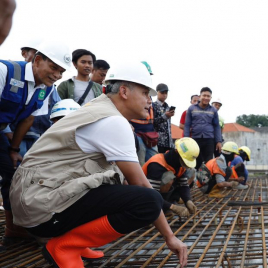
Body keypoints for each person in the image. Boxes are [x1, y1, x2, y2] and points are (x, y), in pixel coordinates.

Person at [9, 61, 188, 267]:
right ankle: (66, 246)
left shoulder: (100, 109)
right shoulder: (113, 121)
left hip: (34, 200)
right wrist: (169, 236)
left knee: (115, 181)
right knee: (147, 201)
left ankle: (76, 241)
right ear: (124, 91)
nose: (149, 101)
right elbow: (141, 186)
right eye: (145, 93)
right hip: (40, 208)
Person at [0, 40, 72, 247]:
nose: (57, 75)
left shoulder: (46, 89)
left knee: (14, 177)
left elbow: (28, 119)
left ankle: (15, 231)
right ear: (38, 60)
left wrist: (14, 149)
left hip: (2, 132)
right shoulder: (5, 71)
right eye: (54, 68)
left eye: (61, 71)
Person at [11, 39, 63, 158]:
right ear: (25, 53)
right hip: (12, 134)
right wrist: (7, 131)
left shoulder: (48, 87)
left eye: (61, 71)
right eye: (36, 53)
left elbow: (31, 117)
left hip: (37, 135)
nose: (57, 75)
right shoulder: (10, 73)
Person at [142, 137, 199, 217]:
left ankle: (168, 203)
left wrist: (187, 200)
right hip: (144, 198)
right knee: (168, 178)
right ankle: (160, 209)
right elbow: (151, 194)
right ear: (177, 152)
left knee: (190, 172)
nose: (185, 164)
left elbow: (183, 185)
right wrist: (172, 207)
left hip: (158, 196)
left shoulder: (179, 164)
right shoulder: (157, 165)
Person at [184, 87, 222, 169]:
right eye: (204, 95)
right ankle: (195, 181)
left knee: (209, 163)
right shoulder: (191, 108)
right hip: (195, 139)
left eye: (208, 96)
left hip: (209, 140)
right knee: (196, 161)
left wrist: (218, 141)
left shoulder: (213, 110)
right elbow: (187, 125)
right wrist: (186, 140)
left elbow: (217, 126)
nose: (206, 98)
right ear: (200, 96)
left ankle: (206, 181)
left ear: (211, 98)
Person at [153, 83, 175, 153]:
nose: (164, 95)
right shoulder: (153, 106)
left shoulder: (167, 107)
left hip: (169, 142)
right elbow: (152, 122)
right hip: (158, 141)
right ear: (157, 92)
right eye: (162, 92)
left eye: (166, 93)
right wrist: (165, 116)